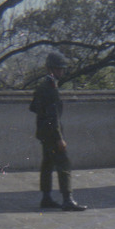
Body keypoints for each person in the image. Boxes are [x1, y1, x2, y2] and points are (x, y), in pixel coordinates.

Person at [29, 51, 87, 211]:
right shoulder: (51, 88)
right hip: (52, 133)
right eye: (59, 69)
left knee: (47, 165)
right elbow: (53, 116)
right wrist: (59, 137)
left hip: (43, 132)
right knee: (63, 164)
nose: (62, 72)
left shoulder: (42, 86)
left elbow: (33, 107)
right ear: (51, 69)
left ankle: (46, 197)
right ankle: (67, 199)